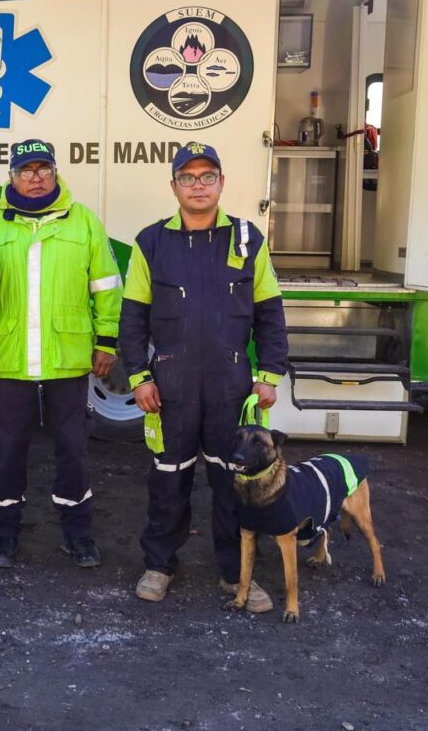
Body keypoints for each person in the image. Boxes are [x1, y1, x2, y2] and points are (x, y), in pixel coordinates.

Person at [118, 141, 289, 610]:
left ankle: (238, 574)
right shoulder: (150, 242)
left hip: (229, 386)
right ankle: (159, 565)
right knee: (167, 478)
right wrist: (139, 378)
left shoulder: (248, 238)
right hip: (168, 386)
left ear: (221, 183)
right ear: (173, 185)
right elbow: (132, 318)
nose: (198, 185)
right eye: (188, 177)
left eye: (207, 176)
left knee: (233, 482)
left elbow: (270, 313)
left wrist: (270, 374)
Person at [0, 139, 122, 569]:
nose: (36, 178)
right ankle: (4, 536)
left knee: (73, 447)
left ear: (56, 173)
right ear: (11, 177)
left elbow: (107, 286)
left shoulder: (85, 223)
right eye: (27, 170)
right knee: (7, 448)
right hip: (11, 356)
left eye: (44, 169)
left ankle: (78, 534)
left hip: (69, 355)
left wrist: (106, 341)